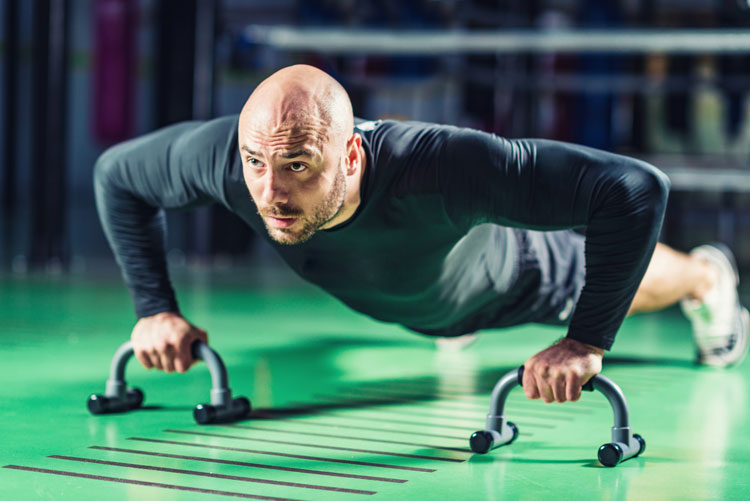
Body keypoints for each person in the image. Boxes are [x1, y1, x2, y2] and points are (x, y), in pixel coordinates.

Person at [94, 65, 748, 405]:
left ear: (350, 158)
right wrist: (154, 307)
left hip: (504, 278)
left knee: (593, 275)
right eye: (256, 163)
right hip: (416, 291)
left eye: (298, 166)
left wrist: (586, 338)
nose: (269, 193)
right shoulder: (230, 156)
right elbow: (117, 175)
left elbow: (633, 190)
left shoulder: (442, 167)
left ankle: (709, 276)